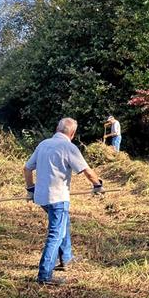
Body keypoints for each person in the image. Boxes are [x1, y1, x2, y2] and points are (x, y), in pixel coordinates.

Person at [25, 117, 104, 284]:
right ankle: (45, 276)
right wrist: (98, 185)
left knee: (63, 223)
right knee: (56, 233)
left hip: (42, 198)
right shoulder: (69, 147)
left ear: (57, 128)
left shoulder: (43, 144)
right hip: (57, 198)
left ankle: (66, 259)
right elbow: (87, 172)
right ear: (73, 133)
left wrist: (31, 189)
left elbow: (27, 168)